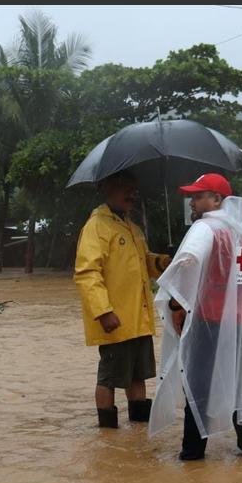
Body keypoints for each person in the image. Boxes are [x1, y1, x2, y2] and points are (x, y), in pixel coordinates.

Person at [148, 173, 242, 460]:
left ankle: (193, 452)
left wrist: (177, 305)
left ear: (217, 199)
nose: (193, 201)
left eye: (199, 196)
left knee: (197, 383)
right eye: (193, 196)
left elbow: (189, 261)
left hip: (209, 320)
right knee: (237, 380)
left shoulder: (205, 228)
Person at [74, 171, 171, 428]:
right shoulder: (96, 227)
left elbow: (144, 262)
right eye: (123, 188)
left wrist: (163, 263)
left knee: (138, 375)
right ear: (106, 189)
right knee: (109, 378)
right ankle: (107, 432)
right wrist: (103, 311)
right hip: (115, 319)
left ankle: (139, 432)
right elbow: (86, 273)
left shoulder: (132, 227)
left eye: (132, 188)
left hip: (139, 318)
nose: (131, 193)